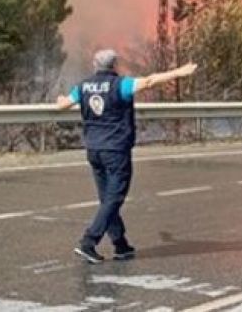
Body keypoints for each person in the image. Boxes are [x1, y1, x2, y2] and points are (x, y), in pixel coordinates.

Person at [55, 49, 199, 264]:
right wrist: (179, 72)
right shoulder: (120, 85)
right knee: (114, 198)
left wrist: (60, 99)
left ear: (95, 64)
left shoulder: (83, 86)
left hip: (93, 149)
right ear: (115, 65)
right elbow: (150, 81)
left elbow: (63, 105)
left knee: (107, 199)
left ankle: (121, 244)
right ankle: (89, 242)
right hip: (115, 150)